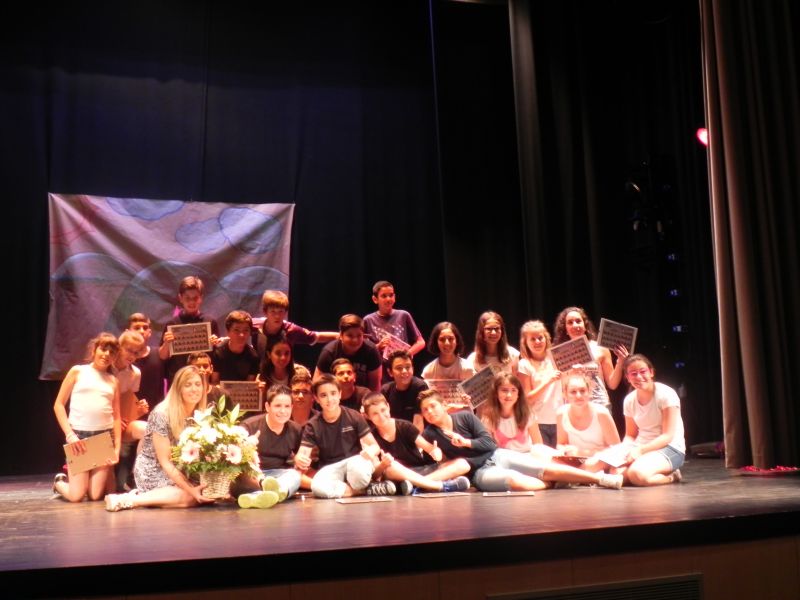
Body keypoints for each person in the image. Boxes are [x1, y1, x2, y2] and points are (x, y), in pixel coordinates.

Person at [104, 365, 215, 510]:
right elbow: (165, 462)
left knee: (201, 493)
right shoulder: (161, 414)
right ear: (178, 389)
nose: (194, 389)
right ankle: (130, 500)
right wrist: (189, 488)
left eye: (198, 384)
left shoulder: (201, 414)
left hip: (180, 468)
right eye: (188, 385)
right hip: (154, 469)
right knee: (188, 497)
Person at [53, 333, 122, 503]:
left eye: (112, 352)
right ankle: (59, 483)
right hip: (79, 438)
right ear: (94, 350)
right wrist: (70, 435)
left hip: (103, 438)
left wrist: (117, 449)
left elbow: (116, 417)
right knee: (76, 496)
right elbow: (58, 405)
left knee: (95, 495)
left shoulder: (113, 380)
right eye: (103, 349)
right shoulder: (78, 371)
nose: (106, 354)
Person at [294, 374, 389, 498]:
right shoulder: (313, 425)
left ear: (339, 394)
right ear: (316, 398)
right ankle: (365, 490)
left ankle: (346, 489)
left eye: (333, 393)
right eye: (323, 395)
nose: (329, 399)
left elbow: (374, 446)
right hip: (331, 468)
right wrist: (299, 459)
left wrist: (370, 451)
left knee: (358, 473)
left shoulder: (353, 416)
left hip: (354, 462)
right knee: (317, 487)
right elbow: (303, 454)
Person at [362, 392, 471, 494]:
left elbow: (430, 448)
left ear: (388, 407)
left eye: (383, 410)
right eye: (375, 414)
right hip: (396, 475)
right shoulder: (370, 436)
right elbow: (375, 475)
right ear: (368, 416)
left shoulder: (405, 426)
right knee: (392, 467)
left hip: (420, 470)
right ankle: (440, 486)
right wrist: (383, 464)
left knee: (463, 464)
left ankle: (415, 486)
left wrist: (436, 453)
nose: (381, 416)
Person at [619, 354, 686, 486]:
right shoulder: (629, 400)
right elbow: (630, 435)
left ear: (651, 372)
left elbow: (667, 436)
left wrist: (640, 451)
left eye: (643, 371)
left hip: (670, 448)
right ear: (627, 377)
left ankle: (672, 476)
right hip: (641, 446)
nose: (639, 377)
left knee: (636, 475)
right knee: (616, 473)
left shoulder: (666, 394)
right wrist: (624, 449)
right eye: (633, 374)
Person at [235, 385, 302, 508]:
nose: (283, 411)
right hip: (252, 475)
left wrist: (299, 459)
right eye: (278, 406)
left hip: (278, 475)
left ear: (292, 407)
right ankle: (267, 494)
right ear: (267, 407)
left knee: (295, 475)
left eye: (287, 406)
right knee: (241, 479)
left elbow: (301, 459)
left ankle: (262, 496)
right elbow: (234, 456)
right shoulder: (249, 426)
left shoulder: (295, 429)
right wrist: (246, 447)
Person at [553, 306, 626, 409]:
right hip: (573, 407)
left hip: (600, 405)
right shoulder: (560, 353)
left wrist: (621, 361)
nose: (575, 325)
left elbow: (612, 384)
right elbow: (560, 387)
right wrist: (572, 374)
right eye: (570, 322)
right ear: (565, 329)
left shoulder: (600, 348)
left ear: (585, 325)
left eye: (578, 321)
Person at [158, 276, 220, 386]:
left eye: (195, 298)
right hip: (178, 379)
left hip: (202, 380)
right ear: (180, 298)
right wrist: (167, 343)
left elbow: (216, 356)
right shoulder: (172, 324)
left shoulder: (210, 322)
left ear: (201, 298)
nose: (191, 302)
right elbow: (162, 356)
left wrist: (216, 343)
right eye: (187, 298)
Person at [556, 371, 621, 472]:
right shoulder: (561, 413)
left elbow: (616, 449)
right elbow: (561, 443)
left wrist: (582, 452)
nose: (578, 396)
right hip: (575, 460)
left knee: (592, 464)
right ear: (565, 395)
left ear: (589, 392)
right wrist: (564, 451)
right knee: (539, 450)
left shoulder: (601, 413)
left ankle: (571, 475)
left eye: (582, 391)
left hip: (598, 460)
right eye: (573, 392)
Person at [362, 280, 425, 383]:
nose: (388, 299)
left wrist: (406, 353)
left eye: (391, 295)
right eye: (384, 296)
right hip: (380, 372)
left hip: (402, 370)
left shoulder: (403, 315)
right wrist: (378, 346)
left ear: (394, 297)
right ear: (375, 299)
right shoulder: (368, 320)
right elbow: (363, 350)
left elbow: (421, 342)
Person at [111, 330, 149, 492]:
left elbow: (127, 402)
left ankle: (135, 474)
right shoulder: (104, 368)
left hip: (122, 425)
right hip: (102, 425)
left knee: (148, 429)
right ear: (119, 347)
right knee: (103, 490)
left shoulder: (135, 373)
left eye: (136, 352)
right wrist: (114, 420)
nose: (132, 355)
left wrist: (138, 410)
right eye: (129, 350)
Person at [516, 320, 562, 447]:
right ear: (525, 342)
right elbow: (527, 398)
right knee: (544, 457)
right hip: (538, 421)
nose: (537, 342)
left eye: (540, 338)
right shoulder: (524, 364)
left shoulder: (556, 357)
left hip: (560, 419)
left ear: (546, 338)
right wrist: (548, 381)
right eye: (532, 339)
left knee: (562, 456)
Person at [256, 289, 339, 355]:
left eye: (281, 311)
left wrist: (341, 336)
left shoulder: (291, 329)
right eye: (273, 311)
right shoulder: (254, 325)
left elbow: (317, 336)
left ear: (286, 312)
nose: (277, 316)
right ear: (265, 312)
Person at [314, 314, 382, 391]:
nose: (355, 340)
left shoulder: (371, 351)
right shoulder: (329, 352)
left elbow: (375, 384)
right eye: (350, 336)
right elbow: (317, 383)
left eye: (359, 335)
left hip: (363, 396)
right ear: (341, 335)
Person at [380, 350, 428, 429]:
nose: (404, 371)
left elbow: (418, 422)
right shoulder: (385, 390)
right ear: (390, 372)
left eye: (408, 367)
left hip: (416, 433)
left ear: (412, 368)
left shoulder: (420, 387)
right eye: (399, 368)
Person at [128, 312, 165, 410]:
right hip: (129, 413)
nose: (141, 331)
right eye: (137, 328)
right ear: (127, 332)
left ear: (150, 332)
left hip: (157, 412)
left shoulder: (159, 353)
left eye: (145, 328)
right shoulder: (121, 358)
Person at [210, 310, 259, 384]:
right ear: (228, 332)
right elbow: (215, 381)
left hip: (243, 391)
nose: (241, 335)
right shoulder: (217, 352)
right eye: (236, 330)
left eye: (246, 330)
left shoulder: (253, 356)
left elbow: (249, 385)